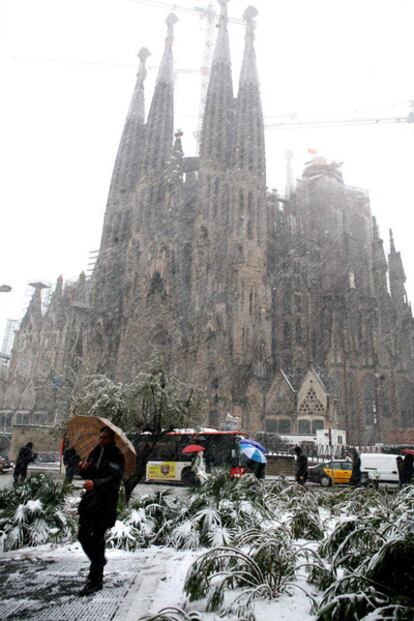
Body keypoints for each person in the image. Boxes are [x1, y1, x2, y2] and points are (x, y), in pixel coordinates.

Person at [78, 426, 124, 596]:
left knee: (97, 538)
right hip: (90, 501)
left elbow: (114, 477)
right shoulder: (96, 451)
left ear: (112, 439)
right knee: (83, 536)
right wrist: (83, 469)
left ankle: (95, 579)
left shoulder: (116, 455)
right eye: (100, 437)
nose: (101, 440)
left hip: (105, 503)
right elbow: (88, 474)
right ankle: (99, 561)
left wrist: (96, 483)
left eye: (105, 438)